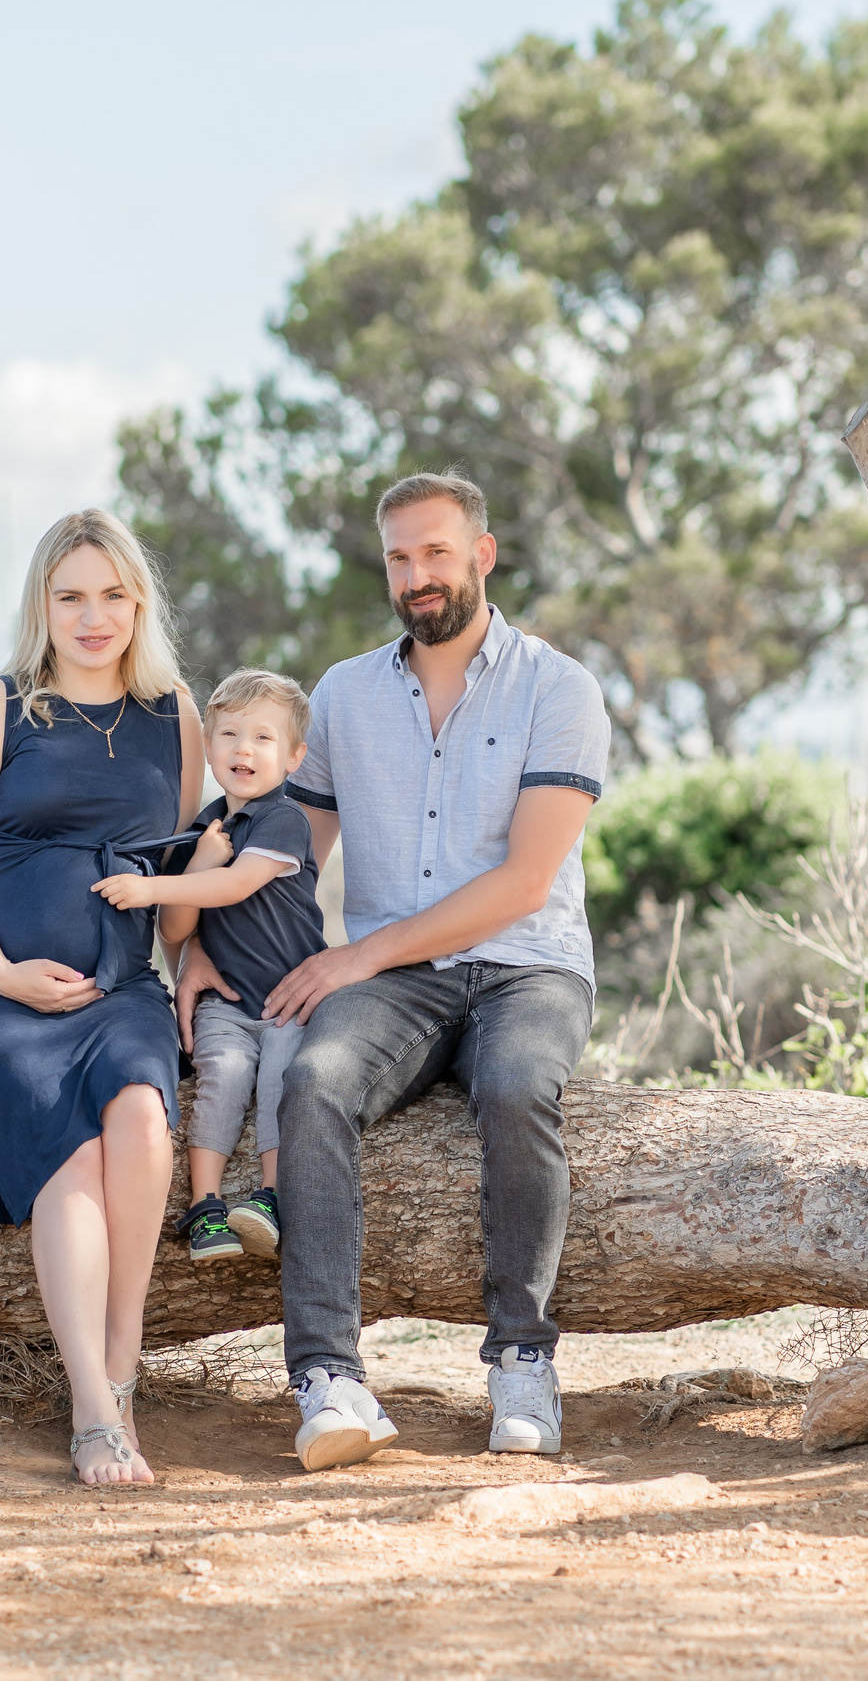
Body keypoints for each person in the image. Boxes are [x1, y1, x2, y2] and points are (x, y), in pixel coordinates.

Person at [177, 471, 609, 1472]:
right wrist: (205, 943)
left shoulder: (560, 688)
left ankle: (520, 1362)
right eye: (400, 558)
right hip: (396, 984)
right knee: (314, 1082)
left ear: (481, 557)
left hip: (526, 966)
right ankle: (328, 1380)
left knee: (514, 1086)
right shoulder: (341, 696)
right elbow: (283, 856)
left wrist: (358, 953)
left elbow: (525, 880)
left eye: (437, 553)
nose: (418, 575)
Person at [0, 508, 201, 1486]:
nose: (92, 616)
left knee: (142, 1124)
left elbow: (178, 883)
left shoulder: (177, 719)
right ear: (43, 603)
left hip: (121, 991)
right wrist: (2, 972)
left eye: (112, 595)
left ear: (139, 602)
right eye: (71, 595)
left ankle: (123, 1372)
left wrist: (196, 971)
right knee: (73, 1162)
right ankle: (88, 1405)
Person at [91, 667, 326, 1263]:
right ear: (209, 743)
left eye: (263, 738)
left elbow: (239, 884)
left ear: (294, 757)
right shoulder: (203, 829)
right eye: (228, 735)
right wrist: (194, 861)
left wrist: (152, 888)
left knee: (280, 1079)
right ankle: (206, 1206)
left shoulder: (284, 820)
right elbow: (177, 928)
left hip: (287, 998)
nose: (243, 750)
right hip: (225, 1000)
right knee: (220, 1076)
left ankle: (270, 1196)